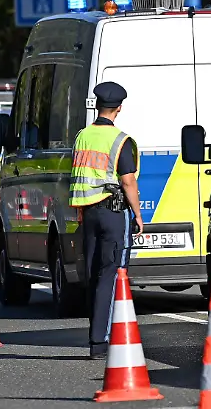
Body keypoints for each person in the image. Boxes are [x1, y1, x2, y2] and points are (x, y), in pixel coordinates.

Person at [68, 81, 144, 360]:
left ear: (97, 105)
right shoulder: (120, 140)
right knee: (112, 275)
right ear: (119, 108)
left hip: (87, 213)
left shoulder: (82, 137)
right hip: (113, 214)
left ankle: (96, 337)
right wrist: (137, 214)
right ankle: (104, 340)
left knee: (93, 274)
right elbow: (127, 180)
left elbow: (76, 174)